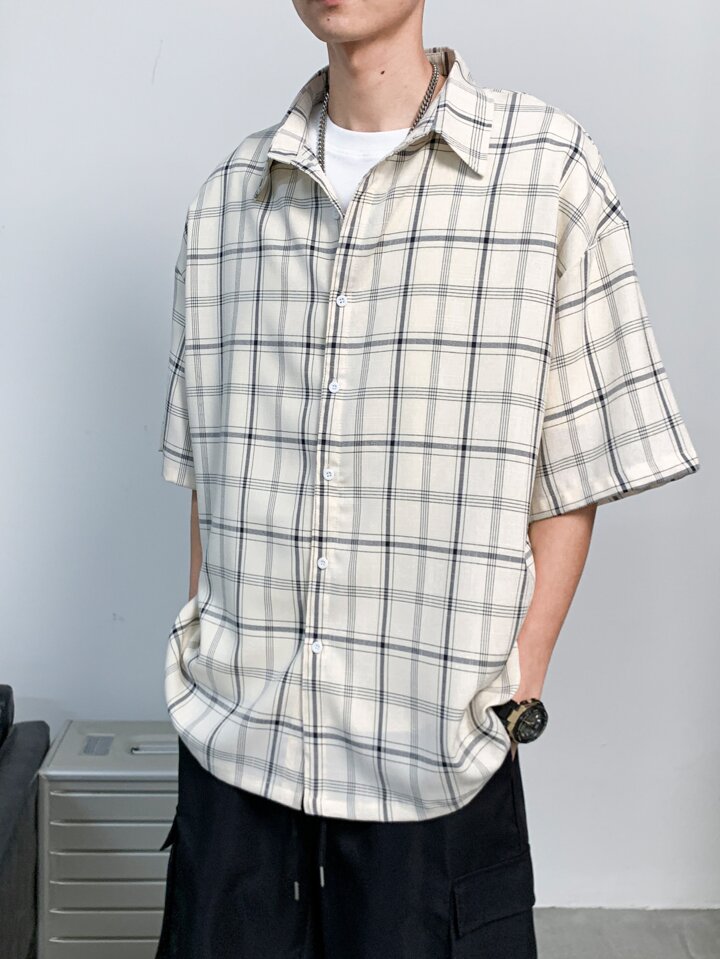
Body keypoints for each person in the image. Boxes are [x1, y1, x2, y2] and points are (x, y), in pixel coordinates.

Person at [155, 2, 701, 957]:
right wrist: (205, 640)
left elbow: (576, 465)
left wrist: (515, 685)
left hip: (433, 759)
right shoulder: (229, 199)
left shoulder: (544, 169)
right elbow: (213, 463)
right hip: (238, 754)